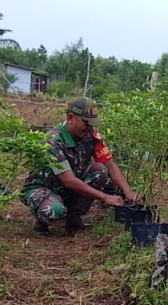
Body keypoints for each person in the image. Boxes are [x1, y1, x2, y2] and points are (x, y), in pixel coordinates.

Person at [20, 97, 137, 235]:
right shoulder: (52, 141)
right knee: (54, 211)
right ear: (70, 117)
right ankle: (41, 220)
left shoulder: (92, 136)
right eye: (86, 122)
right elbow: (68, 180)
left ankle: (74, 218)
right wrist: (105, 197)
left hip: (71, 187)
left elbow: (109, 165)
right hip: (45, 188)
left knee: (100, 170)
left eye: (92, 124)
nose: (89, 127)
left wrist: (128, 192)